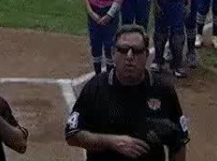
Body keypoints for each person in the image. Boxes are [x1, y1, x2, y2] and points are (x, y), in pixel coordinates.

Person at [65, 25, 189, 161]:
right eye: (123, 50)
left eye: (137, 51)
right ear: (113, 53)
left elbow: (179, 141)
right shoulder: (96, 88)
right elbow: (72, 134)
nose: (129, 56)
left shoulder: (163, 90)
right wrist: (111, 142)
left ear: (146, 55)